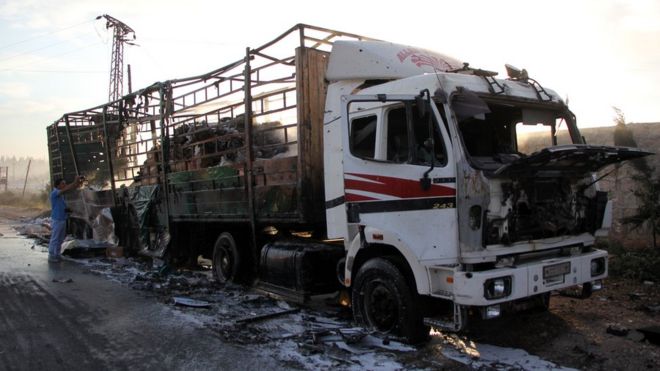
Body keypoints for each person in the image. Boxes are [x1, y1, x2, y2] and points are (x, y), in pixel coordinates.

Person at [48, 176, 83, 262]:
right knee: (55, 238)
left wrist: (76, 184)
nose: (64, 185)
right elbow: (67, 189)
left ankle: (57, 254)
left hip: (62, 218)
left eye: (65, 183)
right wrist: (75, 182)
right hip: (57, 219)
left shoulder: (61, 195)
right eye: (63, 183)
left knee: (60, 238)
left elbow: (69, 189)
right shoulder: (55, 193)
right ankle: (52, 255)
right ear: (58, 185)